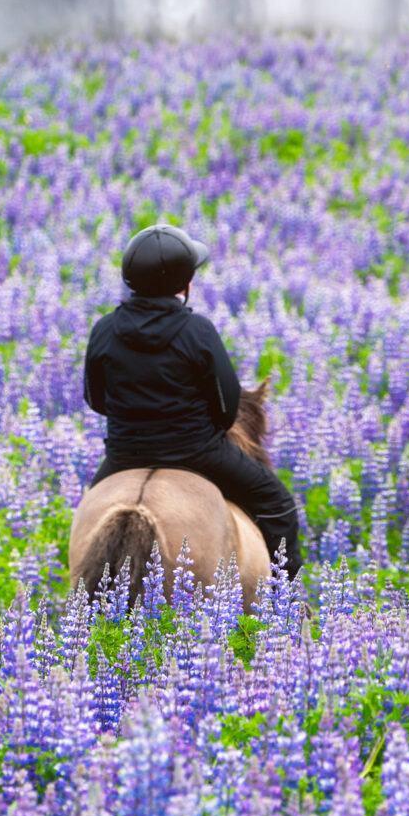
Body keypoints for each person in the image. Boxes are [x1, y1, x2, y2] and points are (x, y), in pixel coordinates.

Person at [84, 224, 305, 576]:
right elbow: (226, 404)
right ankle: (285, 604)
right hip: (197, 451)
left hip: (125, 453)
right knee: (276, 502)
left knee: (88, 512)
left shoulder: (104, 329)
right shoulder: (197, 330)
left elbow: (95, 399)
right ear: (183, 284)